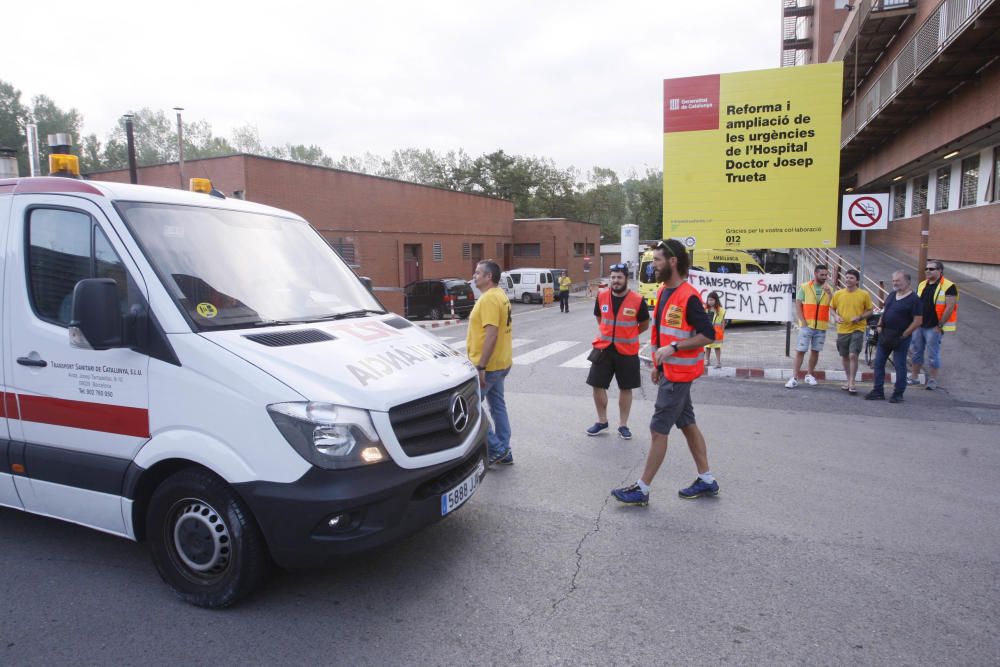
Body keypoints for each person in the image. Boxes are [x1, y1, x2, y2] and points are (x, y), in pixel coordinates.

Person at [611, 239, 717, 507]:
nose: (653, 265)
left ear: (672, 262)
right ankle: (706, 480)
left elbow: (708, 335)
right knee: (688, 424)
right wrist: (658, 364)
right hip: (671, 372)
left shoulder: (689, 296)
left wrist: (674, 348)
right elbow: (659, 330)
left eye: (657, 260)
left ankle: (642, 489)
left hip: (680, 375)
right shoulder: (662, 291)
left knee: (658, 430)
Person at [586, 263, 650, 440]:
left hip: (627, 350)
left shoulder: (637, 300)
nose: (615, 281)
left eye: (619, 277)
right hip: (603, 349)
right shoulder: (602, 295)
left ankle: (623, 425)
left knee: (626, 388)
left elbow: (644, 324)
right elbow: (599, 317)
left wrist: (629, 333)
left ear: (626, 279)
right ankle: (602, 420)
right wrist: (608, 332)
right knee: (597, 385)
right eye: (612, 277)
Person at [467, 260, 514, 465]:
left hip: (490, 366)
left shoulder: (489, 299)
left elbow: (491, 334)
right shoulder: (500, 295)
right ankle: (504, 451)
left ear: (489, 277)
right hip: (502, 362)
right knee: (497, 406)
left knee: (471, 408)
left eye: (478, 273)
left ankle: (497, 448)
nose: (474, 276)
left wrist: (481, 366)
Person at [865, 271, 923, 403]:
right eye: (894, 281)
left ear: (907, 282)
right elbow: (884, 312)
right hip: (885, 334)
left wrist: (905, 334)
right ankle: (878, 391)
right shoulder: (891, 295)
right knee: (879, 363)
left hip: (901, 337)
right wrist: (879, 325)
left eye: (898, 280)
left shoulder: (914, 300)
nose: (895, 283)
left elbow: (918, 320)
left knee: (899, 365)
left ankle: (898, 393)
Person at [909, 260, 958, 391]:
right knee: (916, 352)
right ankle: (914, 378)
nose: (928, 271)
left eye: (931, 269)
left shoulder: (948, 286)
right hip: (919, 325)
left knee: (932, 354)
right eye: (926, 269)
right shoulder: (922, 284)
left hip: (934, 327)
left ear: (940, 271)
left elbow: (950, 306)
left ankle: (932, 380)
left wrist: (940, 325)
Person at [786, 264, 834, 388]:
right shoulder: (805, 287)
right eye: (822, 275)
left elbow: (831, 306)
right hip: (807, 326)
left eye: (826, 275)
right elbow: (798, 304)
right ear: (815, 274)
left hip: (821, 326)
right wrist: (803, 321)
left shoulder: (829, 289)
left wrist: (829, 294)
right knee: (800, 351)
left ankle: (809, 375)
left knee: (815, 351)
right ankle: (794, 377)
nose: (824, 277)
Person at [830, 269, 874, 395]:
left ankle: (852, 382)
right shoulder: (838, 294)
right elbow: (831, 308)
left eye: (851, 278)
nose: (848, 280)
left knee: (853, 355)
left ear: (857, 281)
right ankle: (848, 379)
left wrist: (860, 317)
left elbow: (870, 310)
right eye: (847, 277)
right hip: (842, 329)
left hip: (858, 328)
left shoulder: (864, 294)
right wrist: (836, 316)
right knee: (844, 356)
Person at [704, 291, 725, 369]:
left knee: (717, 347)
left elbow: (723, 321)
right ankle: (707, 361)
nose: (710, 302)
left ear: (716, 300)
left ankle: (718, 362)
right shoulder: (706, 309)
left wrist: (722, 330)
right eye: (709, 300)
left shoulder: (720, 310)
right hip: (708, 332)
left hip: (717, 333)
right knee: (707, 347)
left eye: (712, 300)